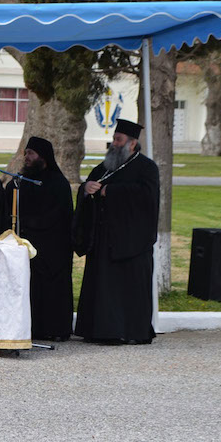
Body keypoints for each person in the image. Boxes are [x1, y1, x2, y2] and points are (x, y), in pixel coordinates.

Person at [73, 119, 160, 345]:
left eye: (118, 140)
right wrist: (86, 189)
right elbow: (90, 186)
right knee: (102, 289)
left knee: (129, 290)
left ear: (132, 144)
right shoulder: (105, 167)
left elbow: (146, 197)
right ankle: (99, 331)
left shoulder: (147, 168)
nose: (114, 144)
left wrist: (110, 191)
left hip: (133, 241)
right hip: (104, 241)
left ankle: (131, 332)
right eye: (114, 139)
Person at [5, 137, 73, 341]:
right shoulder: (22, 180)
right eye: (25, 153)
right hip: (27, 244)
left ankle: (55, 330)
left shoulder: (58, 183)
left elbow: (57, 215)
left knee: (52, 290)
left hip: (53, 247)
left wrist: (29, 224)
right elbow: (9, 201)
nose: (26, 157)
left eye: (31, 154)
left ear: (43, 157)